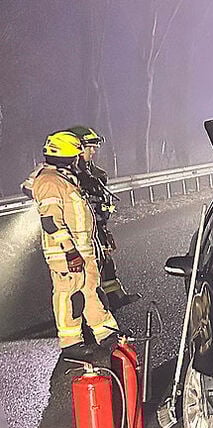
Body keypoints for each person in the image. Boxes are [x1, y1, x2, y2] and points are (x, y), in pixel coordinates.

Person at [24, 131, 119, 357]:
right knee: (70, 294)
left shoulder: (63, 178)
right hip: (66, 253)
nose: (81, 158)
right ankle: (71, 344)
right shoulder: (49, 181)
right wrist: (69, 252)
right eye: (76, 154)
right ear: (67, 157)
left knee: (91, 290)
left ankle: (106, 333)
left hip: (82, 250)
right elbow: (51, 221)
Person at [67, 125, 136, 308]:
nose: (94, 151)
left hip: (97, 228)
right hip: (80, 234)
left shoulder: (91, 172)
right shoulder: (65, 174)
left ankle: (114, 298)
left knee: (106, 262)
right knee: (89, 270)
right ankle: (92, 308)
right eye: (90, 146)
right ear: (77, 147)